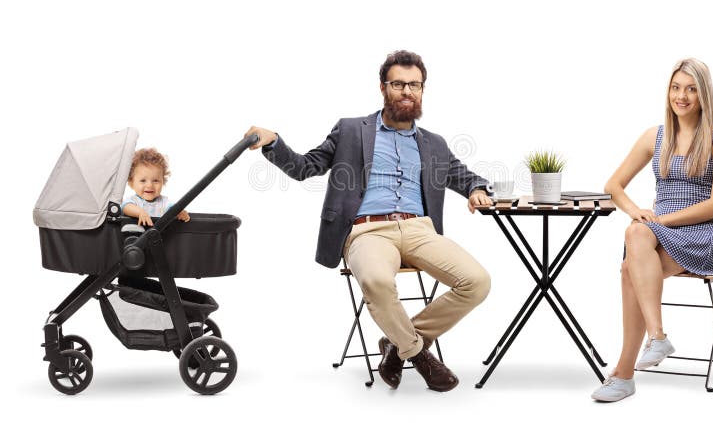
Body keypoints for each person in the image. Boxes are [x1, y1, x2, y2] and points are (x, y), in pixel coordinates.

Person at [246, 50, 493, 392]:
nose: (407, 91)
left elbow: (462, 176)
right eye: (399, 84)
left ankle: (397, 344)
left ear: (423, 90)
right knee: (377, 280)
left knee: (477, 282)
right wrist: (273, 142)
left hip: (420, 229)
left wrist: (477, 188)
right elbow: (305, 167)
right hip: (367, 231)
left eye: (415, 85)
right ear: (382, 87)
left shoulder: (433, 143)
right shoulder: (350, 130)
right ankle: (420, 356)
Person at [591, 58, 713, 402]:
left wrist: (660, 220)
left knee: (631, 265)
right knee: (636, 235)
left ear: (704, 95)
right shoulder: (655, 136)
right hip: (658, 235)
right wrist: (639, 213)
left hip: (702, 234)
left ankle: (625, 374)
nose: (681, 96)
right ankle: (657, 336)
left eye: (690, 89)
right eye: (676, 88)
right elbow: (613, 185)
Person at [122, 147, 190, 226]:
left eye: (155, 181)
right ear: (131, 183)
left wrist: (179, 212)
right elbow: (125, 207)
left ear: (163, 182)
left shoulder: (163, 202)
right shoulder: (134, 201)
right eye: (143, 181)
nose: (150, 185)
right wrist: (140, 212)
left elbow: (172, 209)